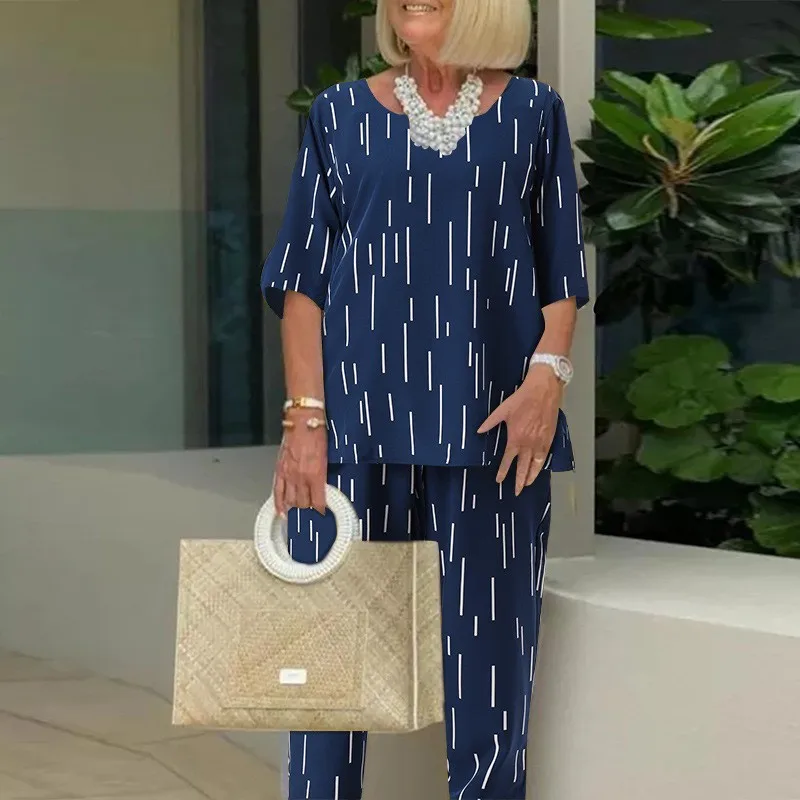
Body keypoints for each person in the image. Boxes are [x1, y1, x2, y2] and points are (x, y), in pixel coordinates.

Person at [260, 0, 590, 797]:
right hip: (352, 429)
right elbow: (302, 281)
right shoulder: (339, 114)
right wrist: (304, 422)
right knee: (328, 666)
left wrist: (547, 379)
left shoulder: (532, 112)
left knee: (491, 667)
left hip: (493, 427)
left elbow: (561, 268)